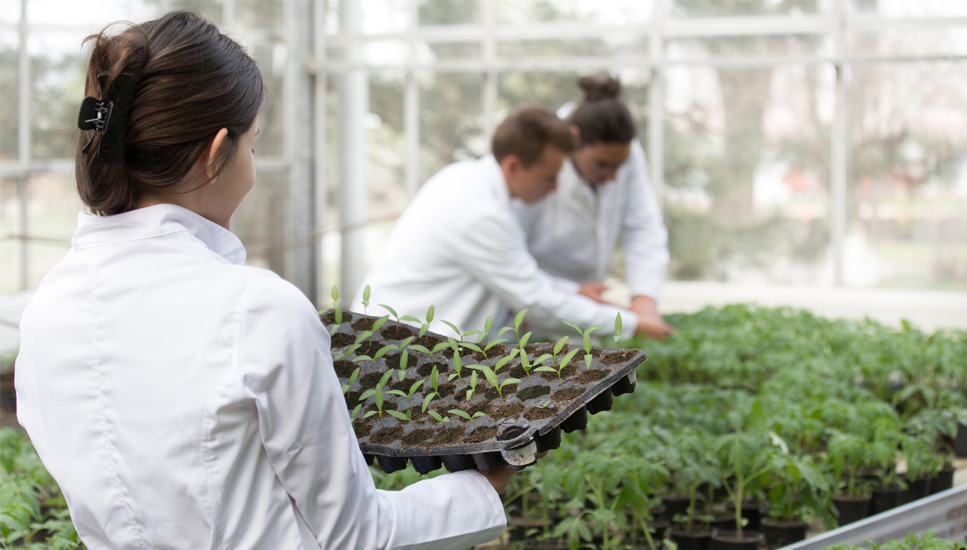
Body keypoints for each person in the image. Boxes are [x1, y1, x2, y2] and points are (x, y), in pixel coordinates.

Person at [14, 12, 508, 549]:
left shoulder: (45, 312)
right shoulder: (256, 308)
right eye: (251, 145)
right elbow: (358, 535)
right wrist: (485, 486)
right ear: (215, 154)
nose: (250, 167)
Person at [352, 106, 645, 340]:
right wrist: (631, 322)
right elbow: (537, 303)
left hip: (410, 341)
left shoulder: (468, 180)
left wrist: (572, 292)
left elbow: (514, 270)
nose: (555, 188)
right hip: (392, 348)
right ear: (514, 166)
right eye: (548, 177)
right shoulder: (479, 212)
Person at [513, 76, 675, 340]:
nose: (613, 176)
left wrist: (644, 302)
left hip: (588, 310)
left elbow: (643, 227)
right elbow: (512, 252)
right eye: (602, 165)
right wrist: (567, 292)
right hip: (531, 308)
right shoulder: (540, 157)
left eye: (618, 167)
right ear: (574, 140)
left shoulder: (625, 153)